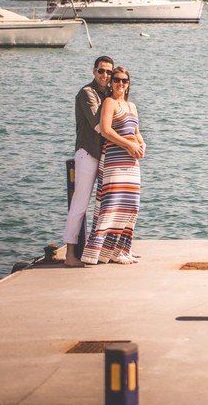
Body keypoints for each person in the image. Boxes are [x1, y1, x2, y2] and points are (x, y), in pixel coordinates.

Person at [81, 66, 146, 265]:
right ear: (111, 83)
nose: (120, 84)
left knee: (131, 205)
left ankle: (120, 249)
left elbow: (136, 131)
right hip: (115, 159)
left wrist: (142, 144)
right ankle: (98, 252)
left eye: (124, 81)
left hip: (131, 161)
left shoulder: (132, 106)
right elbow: (106, 131)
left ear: (128, 84)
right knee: (112, 205)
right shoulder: (109, 103)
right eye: (116, 80)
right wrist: (128, 144)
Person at [62, 56, 113, 268]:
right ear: (94, 71)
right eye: (101, 71)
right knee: (80, 205)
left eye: (109, 73)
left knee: (108, 205)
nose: (105, 76)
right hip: (88, 154)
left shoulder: (109, 94)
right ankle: (70, 254)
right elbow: (98, 125)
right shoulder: (87, 93)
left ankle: (104, 249)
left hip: (105, 155)